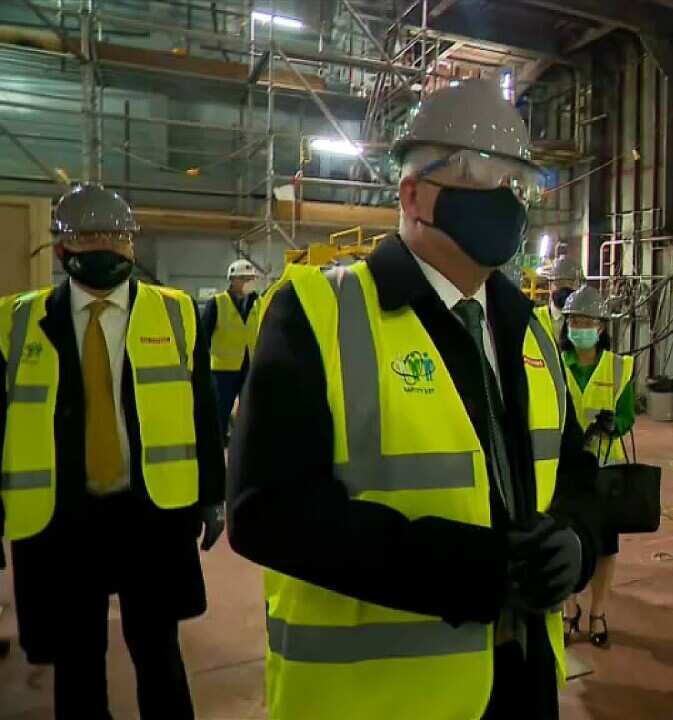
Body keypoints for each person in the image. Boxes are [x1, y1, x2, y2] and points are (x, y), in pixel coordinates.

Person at [227, 78, 601, 720]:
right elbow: (266, 511)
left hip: (524, 680)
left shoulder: (530, 327)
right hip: (381, 700)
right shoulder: (317, 312)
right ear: (413, 194)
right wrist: (470, 569)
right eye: (483, 175)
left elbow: (573, 472)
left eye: (520, 184)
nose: (509, 200)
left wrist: (577, 542)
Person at [0, 183, 225, 719]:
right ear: (61, 250)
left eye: (117, 239)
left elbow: (204, 410)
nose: (106, 250)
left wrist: (212, 496)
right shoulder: (17, 321)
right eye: (89, 240)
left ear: (132, 244)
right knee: (77, 661)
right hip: (63, 517)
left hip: (151, 511)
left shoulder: (177, 314)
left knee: (158, 651)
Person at [556, 285, 634, 650]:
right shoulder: (554, 362)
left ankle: (597, 613)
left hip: (605, 469)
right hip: (566, 469)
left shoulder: (619, 367)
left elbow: (627, 414)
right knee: (565, 539)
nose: (580, 327)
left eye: (587, 321)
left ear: (601, 327)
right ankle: (568, 609)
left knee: (605, 546)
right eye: (574, 321)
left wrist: (614, 424)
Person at [200, 259, 260, 443]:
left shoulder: (259, 303)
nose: (249, 282)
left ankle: (244, 443)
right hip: (223, 369)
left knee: (250, 410)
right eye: (244, 278)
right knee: (221, 410)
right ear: (232, 280)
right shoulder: (217, 303)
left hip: (250, 367)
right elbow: (203, 337)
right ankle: (217, 443)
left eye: (251, 278)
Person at [535, 254, 582, 342]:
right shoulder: (534, 320)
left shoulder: (587, 324)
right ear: (550, 286)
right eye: (559, 283)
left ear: (578, 287)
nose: (564, 288)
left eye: (570, 284)